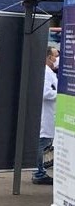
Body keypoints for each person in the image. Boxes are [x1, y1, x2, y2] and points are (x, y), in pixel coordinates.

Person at [32, 48, 59, 186]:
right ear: (49, 57)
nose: (57, 59)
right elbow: (45, 93)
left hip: (49, 113)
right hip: (44, 114)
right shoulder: (45, 72)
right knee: (41, 144)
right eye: (56, 56)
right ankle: (38, 172)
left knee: (43, 143)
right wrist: (61, 95)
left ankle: (39, 171)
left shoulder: (49, 72)